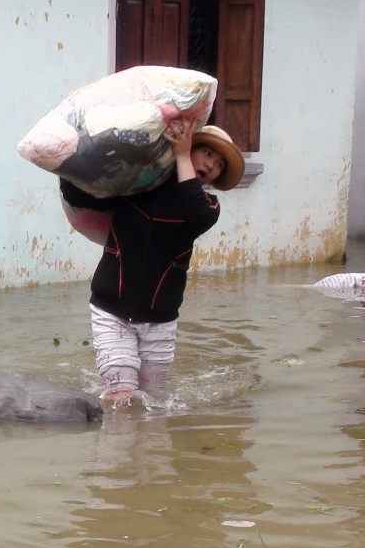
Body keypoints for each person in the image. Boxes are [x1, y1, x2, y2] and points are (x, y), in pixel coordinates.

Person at [59, 120, 244, 404]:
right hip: (111, 311)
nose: (211, 165)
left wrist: (182, 155)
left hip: (160, 321)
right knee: (120, 398)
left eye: (219, 164)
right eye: (207, 153)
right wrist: (69, 159)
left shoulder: (208, 207)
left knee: (154, 405)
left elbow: (192, 211)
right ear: (191, 146)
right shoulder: (137, 186)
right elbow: (79, 195)